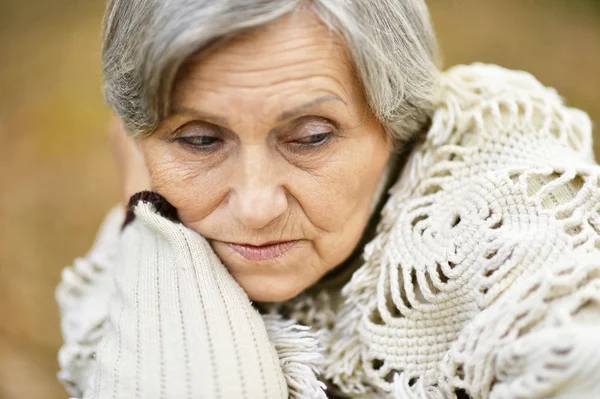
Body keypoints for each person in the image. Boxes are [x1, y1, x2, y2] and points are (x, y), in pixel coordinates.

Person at [56, 0, 600, 398]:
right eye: (199, 139)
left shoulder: (513, 220)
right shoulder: (150, 223)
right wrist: (152, 225)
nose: (255, 206)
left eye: (310, 137)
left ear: (396, 124)